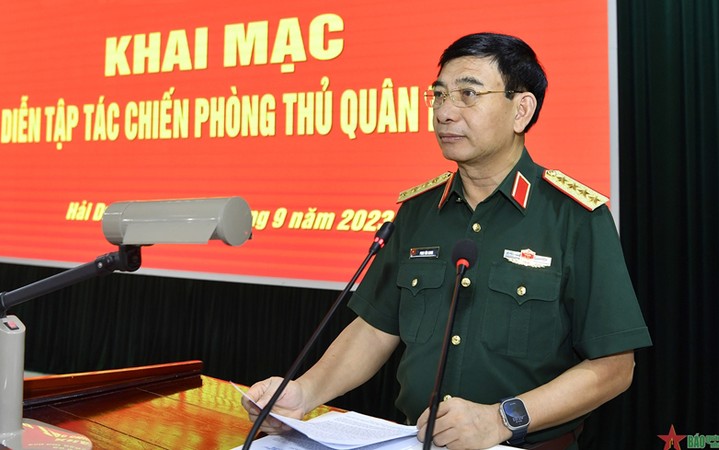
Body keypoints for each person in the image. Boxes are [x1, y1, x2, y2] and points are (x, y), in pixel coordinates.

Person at [242, 32, 652, 450]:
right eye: (438, 95)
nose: (444, 112)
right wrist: (303, 392)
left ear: (521, 110)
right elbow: (374, 330)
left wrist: (501, 419)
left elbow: (615, 367)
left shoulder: (574, 217)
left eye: (468, 94)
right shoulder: (418, 212)